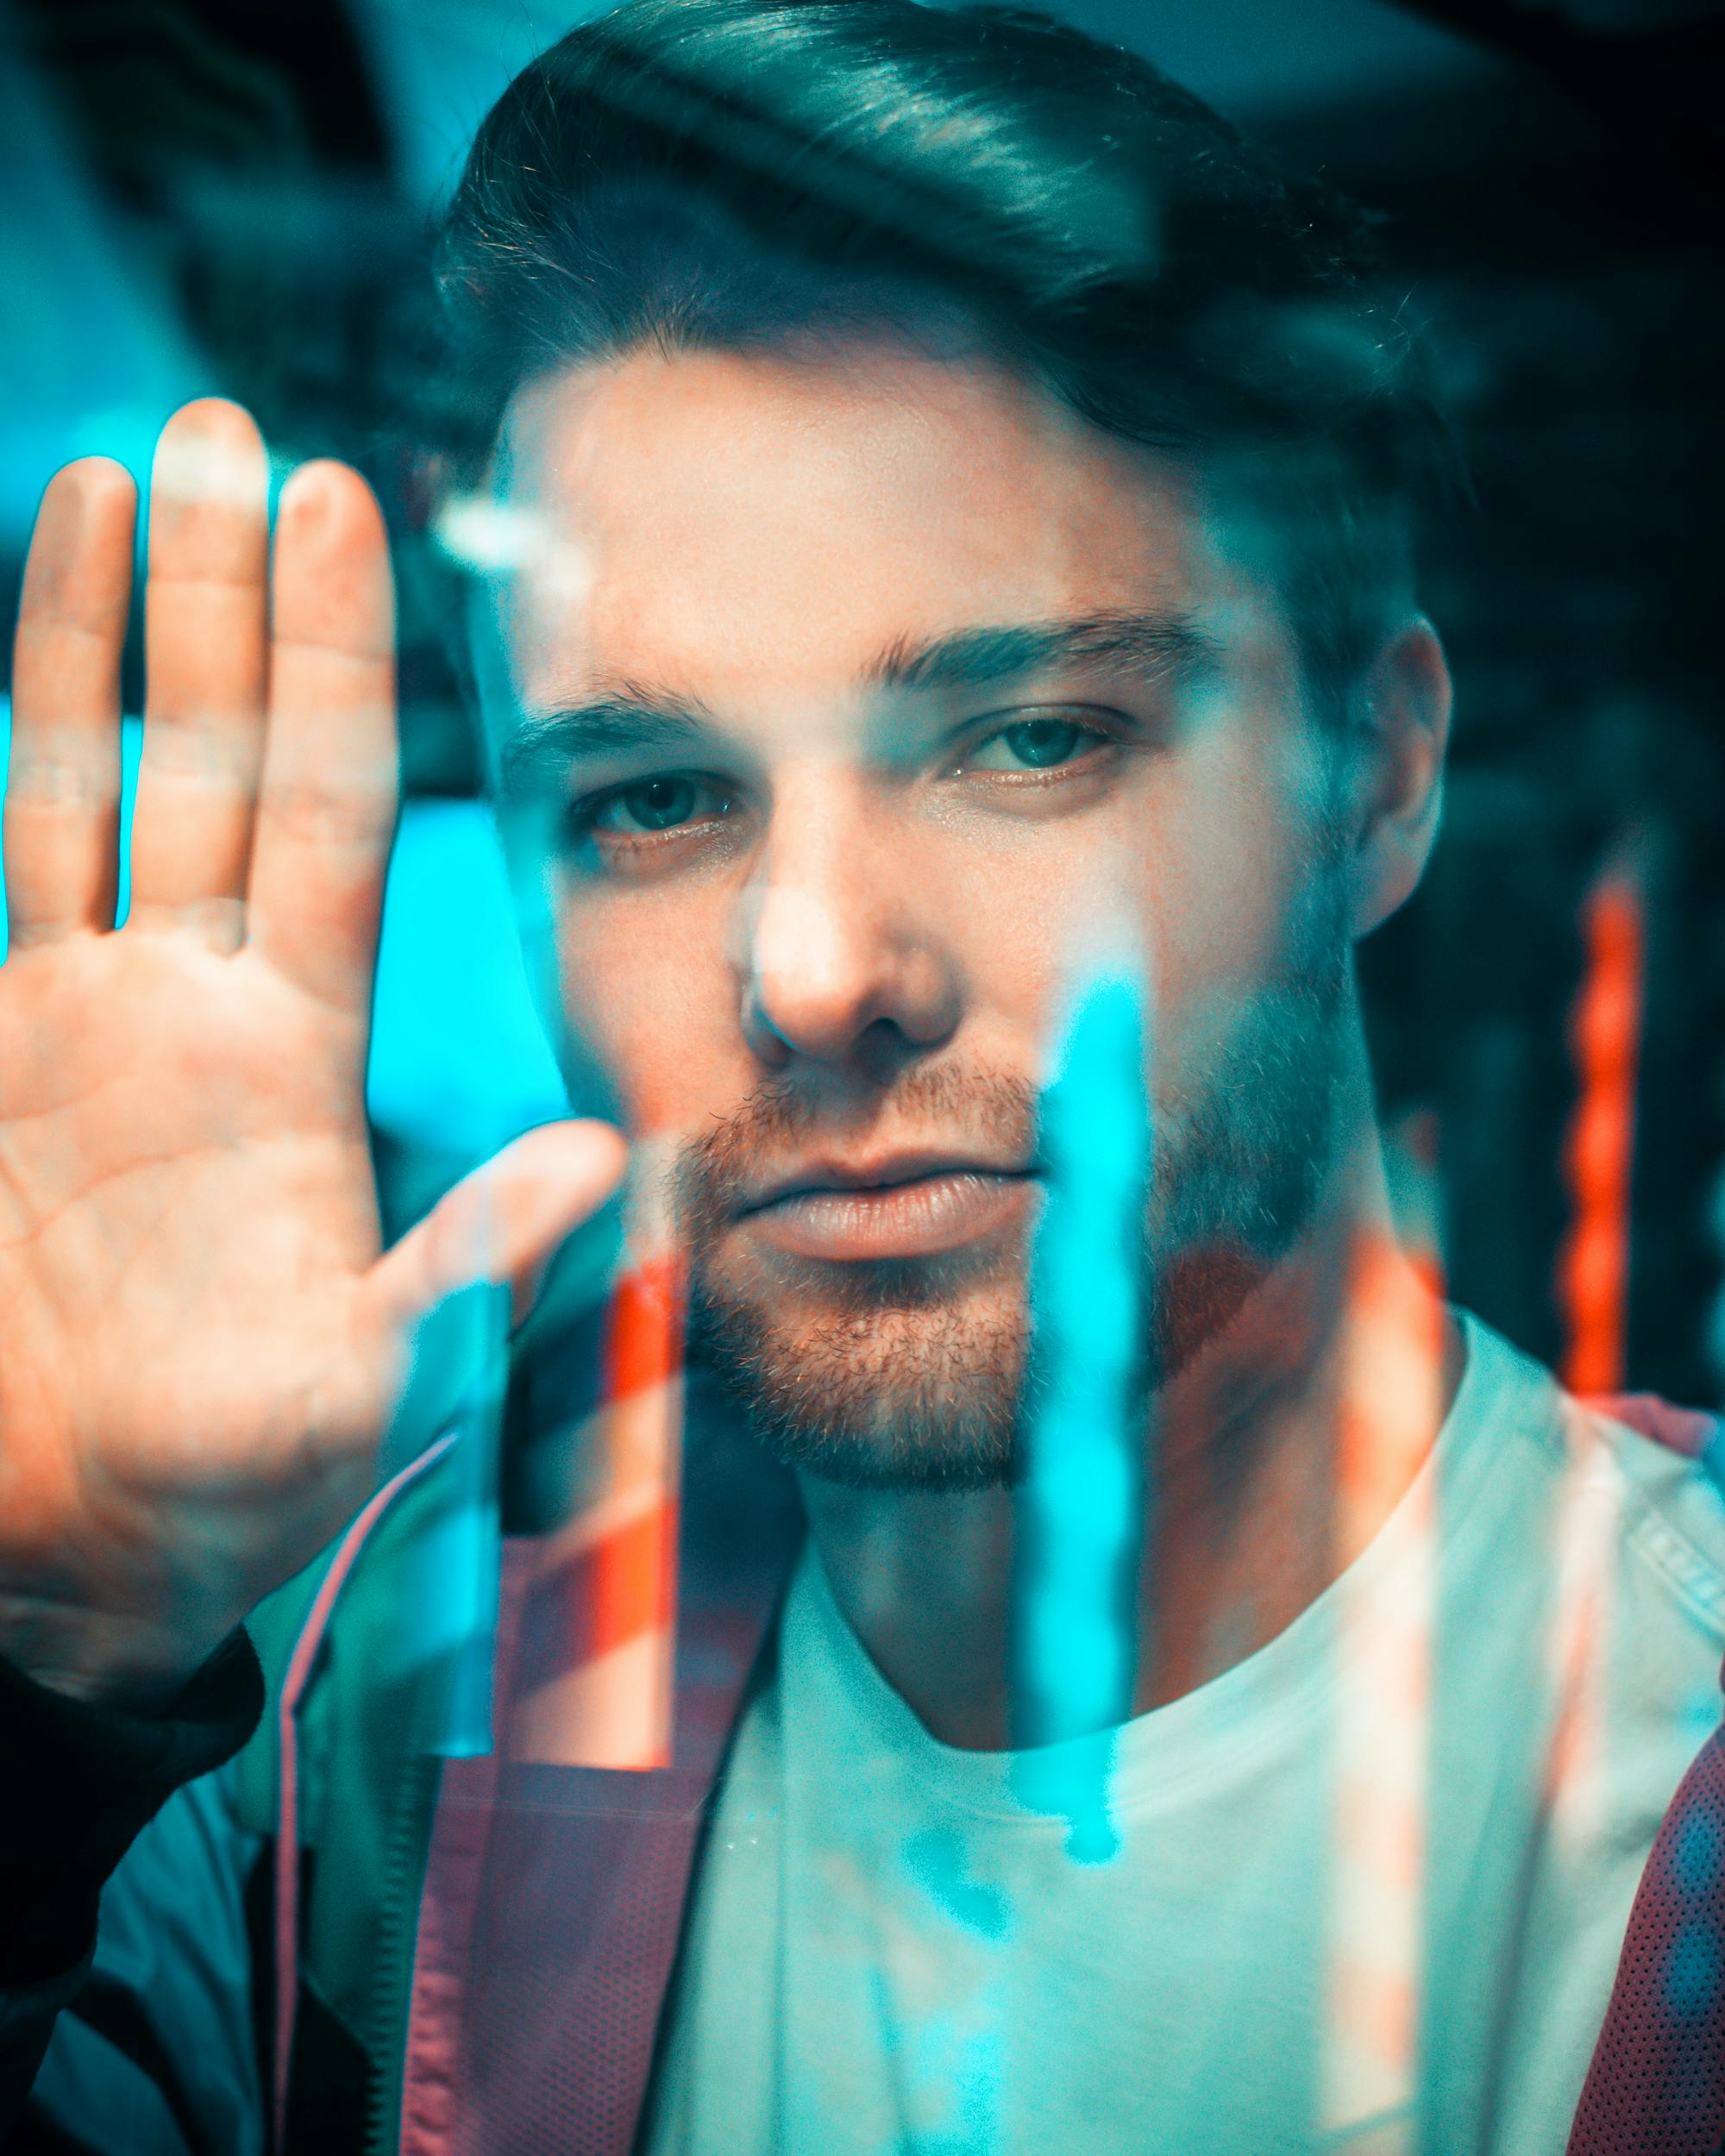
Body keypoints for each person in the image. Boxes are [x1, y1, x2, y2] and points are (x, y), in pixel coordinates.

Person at [2, 3, 1721, 2151]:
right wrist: (45, 1673)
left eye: (1028, 737)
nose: (817, 968)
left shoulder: (1684, 1760)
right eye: (650, 797)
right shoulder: (363, 1730)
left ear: (1370, 777)